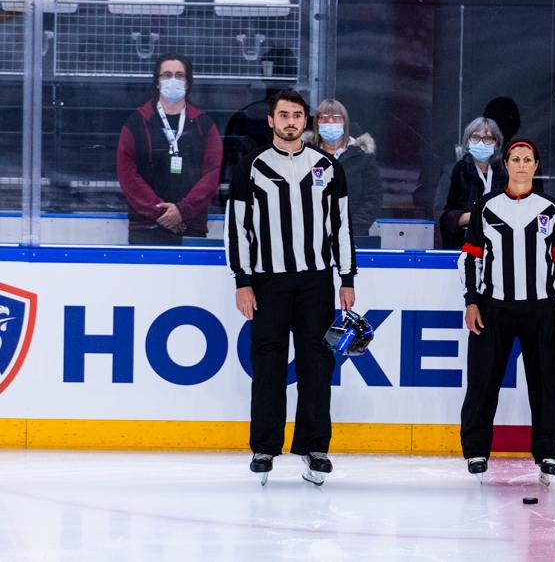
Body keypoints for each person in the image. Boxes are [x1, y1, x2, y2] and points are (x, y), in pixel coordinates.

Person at [225, 88, 357, 486]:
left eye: (297, 115)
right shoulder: (251, 167)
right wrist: (242, 281)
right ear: (271, 120)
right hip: (268, 281)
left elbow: (341, 226)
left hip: (316, 281)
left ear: (305, 121)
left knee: (317, 363)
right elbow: (237, 229)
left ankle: (315, 447)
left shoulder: (327, 167)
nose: (290, 122)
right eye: (283, 115)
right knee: (268, 363)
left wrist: (346, 278)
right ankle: (264, 447)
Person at [458, 139, 555, 481]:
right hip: (493, 308)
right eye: (516, 159)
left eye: (528, 159)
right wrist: (471, 301)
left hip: (542, 310)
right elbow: (470, 257)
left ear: (536, 165)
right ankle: (476, 450)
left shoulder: (550, 208)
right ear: (506, 164)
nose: (522, 165)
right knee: (482, 381)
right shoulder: (486, 206)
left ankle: (548, 452)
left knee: (545, 385)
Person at [116, 53, 222, 245]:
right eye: (167, 75)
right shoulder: (136, 122)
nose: (173, 80)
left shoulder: (204, 124)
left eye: (179, 75)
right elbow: (127, 174)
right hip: (146, 227)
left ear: (188, 83)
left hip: (190, 225)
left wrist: (183, 210)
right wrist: (161, 212)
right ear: (157, 82)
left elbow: (213, 173)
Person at [311, 98, 384, 237]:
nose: (330, 123)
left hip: (353, 236)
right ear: (317, 123)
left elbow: (373, 200)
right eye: (324, 118)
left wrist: (348, 230)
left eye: (336, 118)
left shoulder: (364, 157)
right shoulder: (305, 155)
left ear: (345, 123)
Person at [439, 117, 507, 249]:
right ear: (468, 141)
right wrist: (475, 216)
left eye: (487, 138)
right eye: (475, 137)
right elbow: (441, 215)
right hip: (462, 247)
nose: (481, 143)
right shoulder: (453, 172)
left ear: (496, 144)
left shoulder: (504, 175)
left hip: (498, 247)